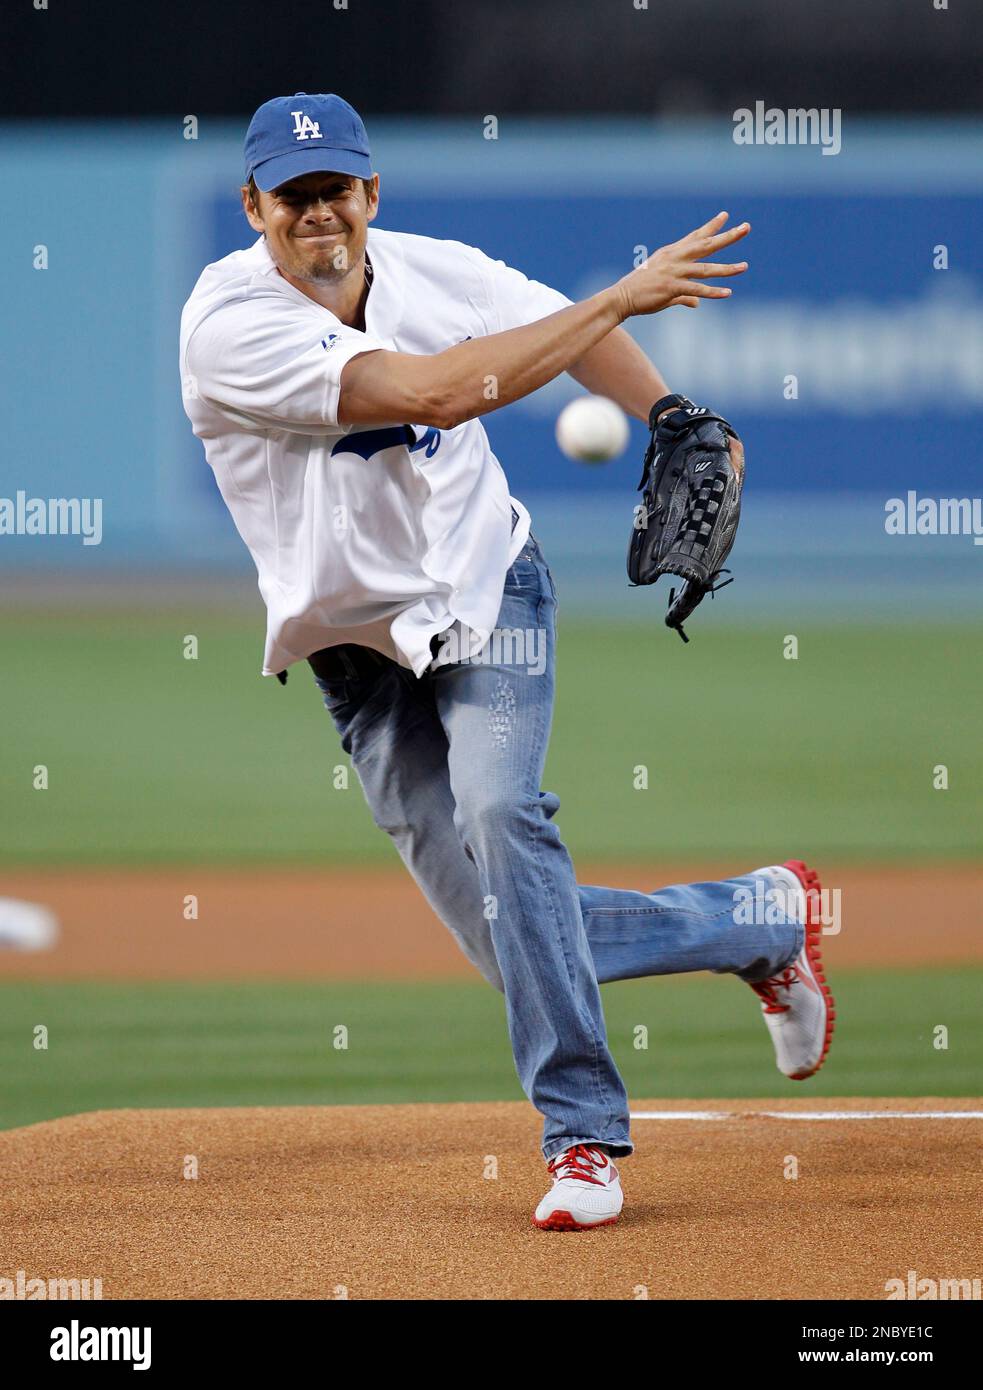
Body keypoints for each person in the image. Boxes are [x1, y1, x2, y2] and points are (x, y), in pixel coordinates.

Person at [180, 92, 834, 1232]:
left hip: (488, 591)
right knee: (510, 934)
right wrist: (620, 292)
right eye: (293, 196)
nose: (318, 213)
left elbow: (569, 333)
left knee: (501, 813)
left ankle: (581, 1138)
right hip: (353, 649)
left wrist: (670, 408)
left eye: (336, 189)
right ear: (254, 207)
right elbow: (432, 389)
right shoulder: (227, 324)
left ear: (370, 194)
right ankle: (759, 920)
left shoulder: (435, 269)